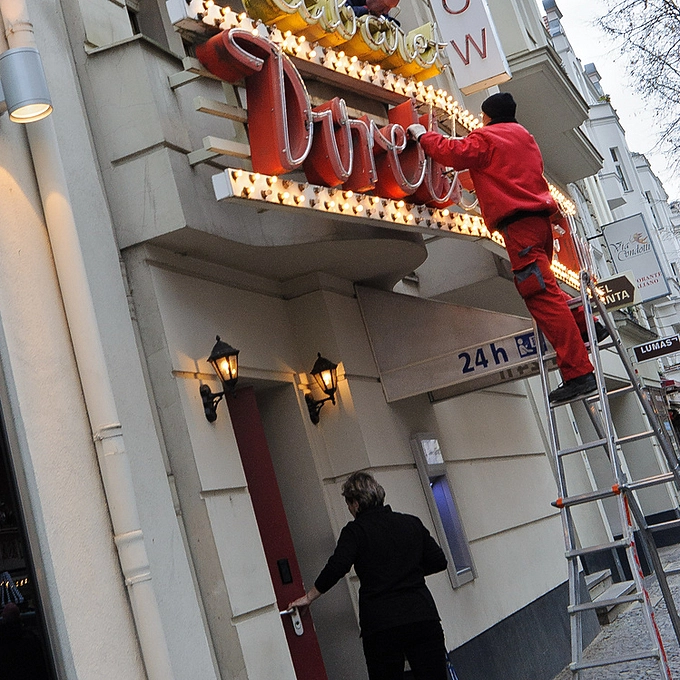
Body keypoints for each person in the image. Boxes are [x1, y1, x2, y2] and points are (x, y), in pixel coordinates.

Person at [408, 92, 605, 404]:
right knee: (547, 287)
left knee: (541, 296)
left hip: (518, 228)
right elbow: (503, 172)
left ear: (487, 116)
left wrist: (422, 135)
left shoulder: (487, 137)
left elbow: (452, 152)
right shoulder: (524, 137)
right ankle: (586, 322)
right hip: (539, 224)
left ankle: (579, 372)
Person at [288, 470, 449, 680]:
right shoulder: (411, 523)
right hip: (421, 616)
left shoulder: (355, 531)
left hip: (380, 624)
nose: (349, 509)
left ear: (356, 503)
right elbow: (439, 561)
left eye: (348, 503)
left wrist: (309, 597)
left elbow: (337, 566)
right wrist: (409, 572)